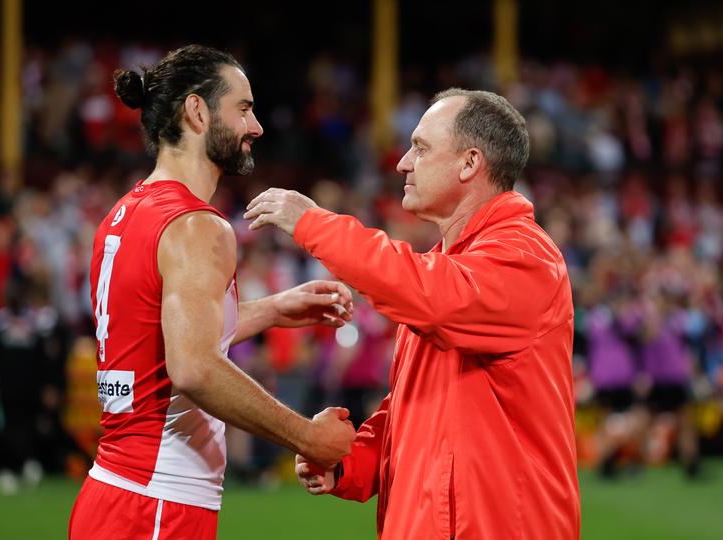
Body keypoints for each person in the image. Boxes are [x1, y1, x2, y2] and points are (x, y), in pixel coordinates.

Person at [245, 88, 580, 539]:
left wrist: (314, 223)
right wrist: (349, 462)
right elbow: (416, 410)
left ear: (469, 164)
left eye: (420, 148)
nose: (403, 162)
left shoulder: (525, 257)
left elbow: (432, 296)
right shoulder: (448, 268)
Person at [68, 45, 356, 540]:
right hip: (158, 503)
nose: (257, 126)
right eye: (243, 109)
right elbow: (194, 366)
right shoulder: (197, 226)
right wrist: (307, 437)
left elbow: (160, 337)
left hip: (114, 494)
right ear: (197, 111)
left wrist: (271, 308)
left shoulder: (126, 212)